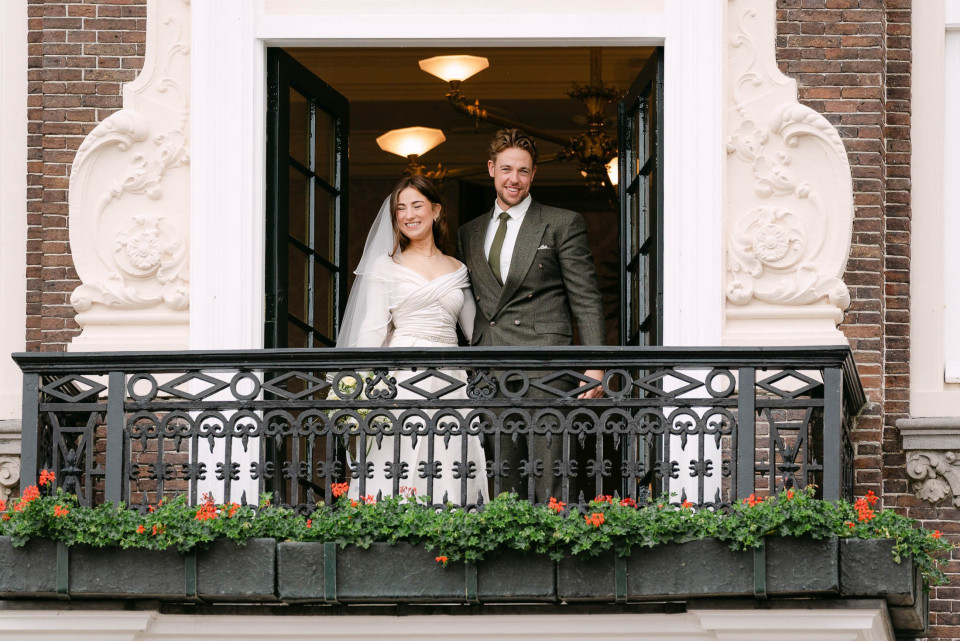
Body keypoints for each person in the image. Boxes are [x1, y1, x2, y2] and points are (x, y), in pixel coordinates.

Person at [455, 128, 605, 502]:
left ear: (533, 174)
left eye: (523, 171)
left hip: (547, 365)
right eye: (506, 169)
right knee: (504, 476)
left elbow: (585, 297)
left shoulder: (560, 222)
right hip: (491, 365)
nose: (514, 179)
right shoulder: (469, 232)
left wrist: (596, 363)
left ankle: (556, 553)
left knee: (551, 473)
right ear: (491, 169)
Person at [336, 175, 488, 505]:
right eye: (401, 208)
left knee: (452, 461)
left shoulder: (458, 269)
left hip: (451, 378)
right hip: (402, 378)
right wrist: (356, 386)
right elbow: (373, 330)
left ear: (435, 210)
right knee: (398, 462)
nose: (408, 214)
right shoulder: (385, 266)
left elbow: (476, 331)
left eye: (416, 205)